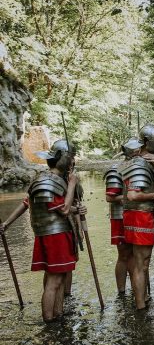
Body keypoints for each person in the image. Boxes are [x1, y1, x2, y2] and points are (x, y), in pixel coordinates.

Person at [0, 140, 86, 322]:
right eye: (71, 157)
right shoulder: (49, 181)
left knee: (58, 277)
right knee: (54, 280)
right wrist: (72, 185)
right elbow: (63, 210)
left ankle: (58, 313)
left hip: (53, 234)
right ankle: (49, 319)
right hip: (55, 236)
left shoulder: (44, 179)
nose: (72, 161)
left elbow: (35, 204)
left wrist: (7, 223)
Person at [118, 124, 154, 310]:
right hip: (140, 215)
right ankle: (140, 305)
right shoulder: (139, 164)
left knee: (142, 261)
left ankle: (142, 299)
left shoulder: (150, 161)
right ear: (147, 142)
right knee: (141, 263)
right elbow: (133, 195)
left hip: (143, 214)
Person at [103, 138, 138, 294]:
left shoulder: (139, 168)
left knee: (135, 255)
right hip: (120, 217)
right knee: (124, 255)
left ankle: (136, 289)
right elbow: (109, 197)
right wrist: (129, 197)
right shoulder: (116, 169)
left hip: (136, 215)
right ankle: (122, 291)